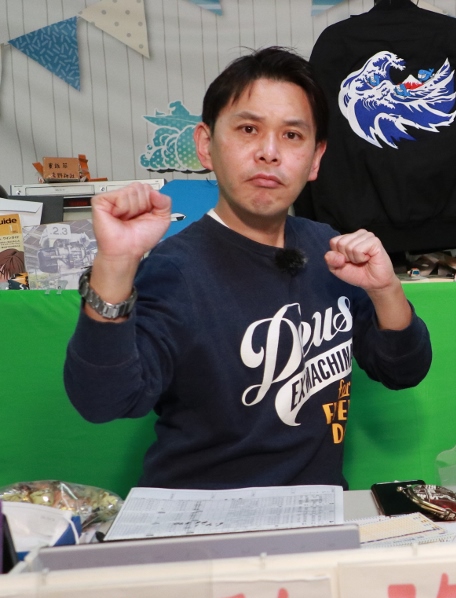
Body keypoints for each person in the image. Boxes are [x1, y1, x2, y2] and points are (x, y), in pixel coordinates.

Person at [64, 47, 431, 490]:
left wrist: (386, 290)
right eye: (248, 129)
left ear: (315, 158)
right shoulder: (175, 269)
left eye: (292, 135)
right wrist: (116, 263)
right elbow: (103, 401)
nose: (269, 152)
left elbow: (403, 370)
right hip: (202, 515)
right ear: (206, 145)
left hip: (315, 513)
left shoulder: (327, 248)